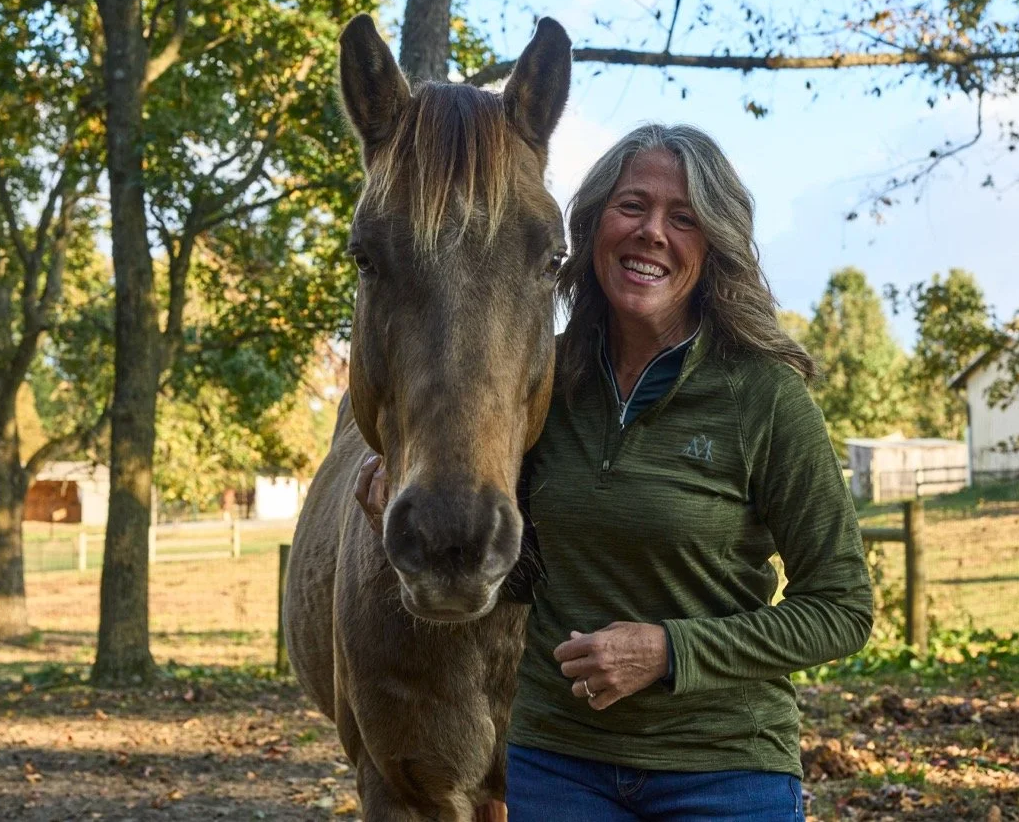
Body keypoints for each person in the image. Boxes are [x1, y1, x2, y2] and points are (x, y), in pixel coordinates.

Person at [357, 123, 873, 821]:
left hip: (722, 765)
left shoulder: (763, 397)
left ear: (713, 245)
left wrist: (668, 651)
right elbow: (522, 565)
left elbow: (843, 609)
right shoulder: (540, 388)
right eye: (632, 206)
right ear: (594, 224)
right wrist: (402, 518)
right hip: (562, 765)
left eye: (683, 217)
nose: (652, 232)